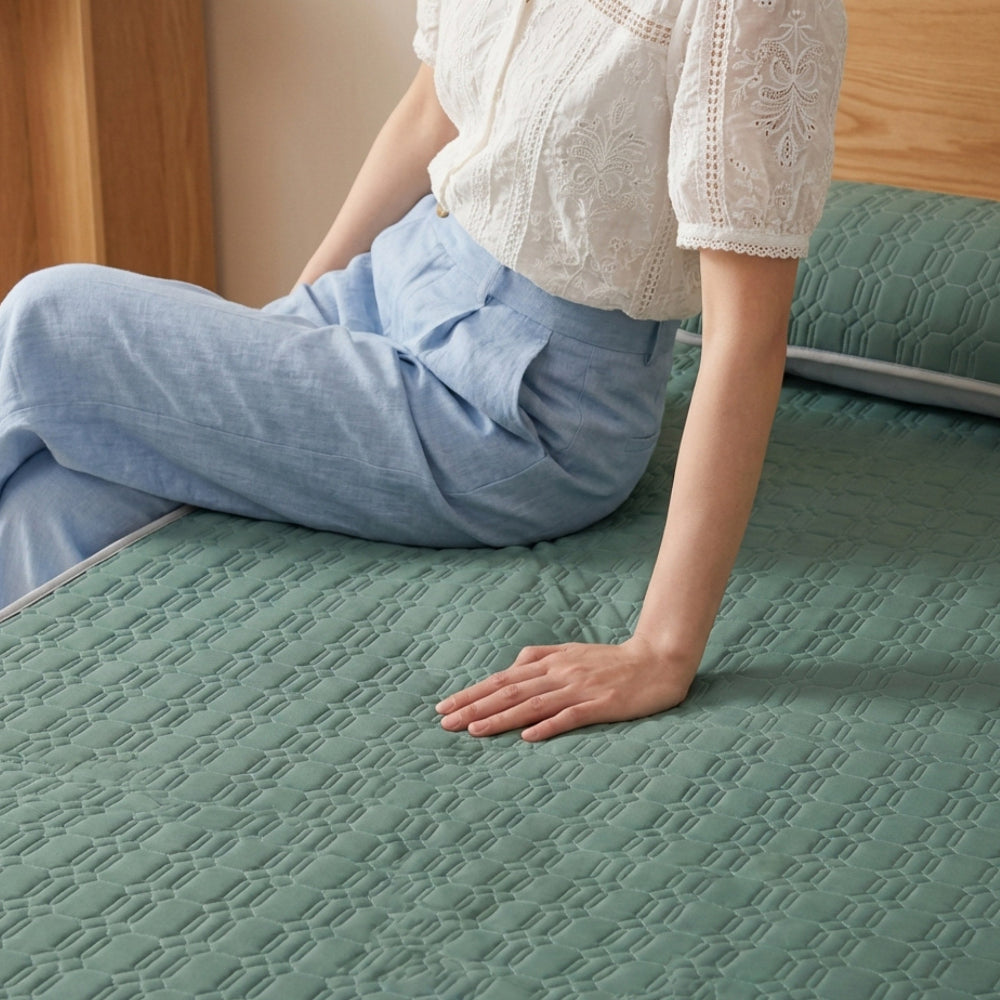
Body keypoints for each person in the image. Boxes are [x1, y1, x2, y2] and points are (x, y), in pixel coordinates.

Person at [0, 0, 847, 739]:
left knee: (49, 318)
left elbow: (746, 336)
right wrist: (277, 336)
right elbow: (429, 113)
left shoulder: (757, 9)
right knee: (53, 499)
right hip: (395, 277)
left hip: (522, 409)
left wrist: (661, 651)